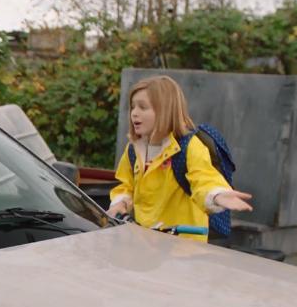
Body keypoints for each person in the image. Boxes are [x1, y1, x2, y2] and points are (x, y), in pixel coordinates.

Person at [107, 75, 253, 241]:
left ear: (165, 110)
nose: (134, 113)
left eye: (143, 107)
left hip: (184, 247)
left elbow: (204, 178)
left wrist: (217, 195)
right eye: (133, 107)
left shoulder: (189, 146)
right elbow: (126, 185)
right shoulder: (133, 149)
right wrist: (120, 203)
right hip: (146, 242)